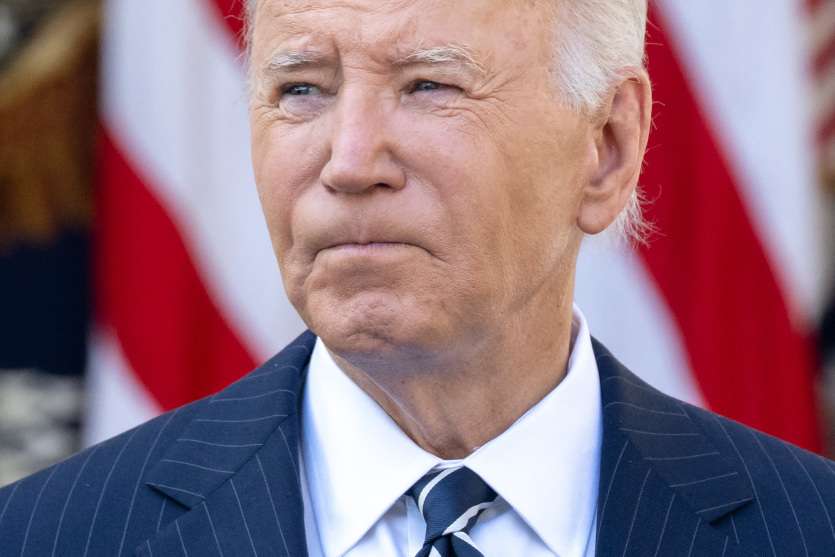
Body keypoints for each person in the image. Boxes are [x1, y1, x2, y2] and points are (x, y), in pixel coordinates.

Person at [2, 1, 834, 555]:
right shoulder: (51, 536)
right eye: (301, 89)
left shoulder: (806, 529)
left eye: (428, 85)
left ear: (608, 147)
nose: (349, 161)